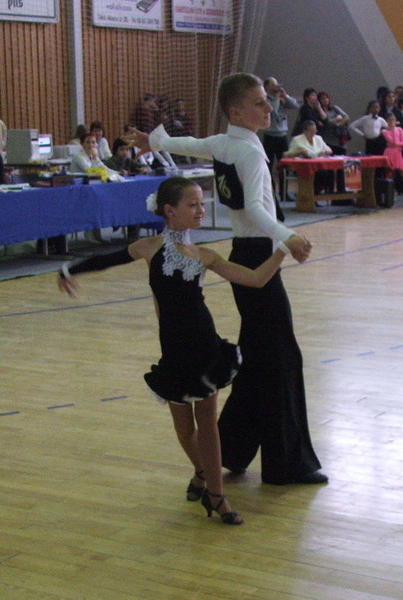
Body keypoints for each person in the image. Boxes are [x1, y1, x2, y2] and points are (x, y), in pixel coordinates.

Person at [58, 177, 292, 524]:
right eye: (193, 205)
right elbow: (105, 260)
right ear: (170, 211)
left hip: (206, 347)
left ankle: (216, 495)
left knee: (208, 424)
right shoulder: (148, 248)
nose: (201, 210)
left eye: (201, 203)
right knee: (184, 430)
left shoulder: (205, 255)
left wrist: (284, 248)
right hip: (173, 351)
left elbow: (255, 279)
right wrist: (68, 268)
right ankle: (202, 473)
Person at [130, 73, 326, 485]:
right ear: (236, 112)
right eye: (259, 103)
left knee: (260, 357)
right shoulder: (247, 152)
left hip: (245, 251)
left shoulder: (226, 143)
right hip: (257, 252)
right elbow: (254, 208)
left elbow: (190, 144)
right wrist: (288, 237)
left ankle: (233, 449)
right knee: (280, 358)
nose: (268, 108)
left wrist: (156, 141)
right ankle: (286, 465)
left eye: (266, 100)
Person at [262, 77, 299, 199]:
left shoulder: (281, 97)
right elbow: (272, 112)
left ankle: (284, 193)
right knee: (269, 166)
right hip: (270, 136)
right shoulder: (265, 100)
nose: (277, 86)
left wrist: (285, 96)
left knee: (285, 165)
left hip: (282, 136)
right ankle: (270, 193)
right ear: (267, 87)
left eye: (277, 83)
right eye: (274, 84)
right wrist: (277, 99)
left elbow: (295, 105)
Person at [285, 120, 334, 194]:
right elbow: (288, 155)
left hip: (318, 165)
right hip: (303, 167)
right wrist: (301, 153)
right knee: (320, 173)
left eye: (315, 130)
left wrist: (326, 152)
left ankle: (321, 193)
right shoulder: (297, 140)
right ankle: (311, 194)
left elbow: (329, 150)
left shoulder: (318, 138)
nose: (313, 133)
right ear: (305, 131)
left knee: (330, 172)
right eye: (311, 131)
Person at [381, 114, 403, 202]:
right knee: (390, 174)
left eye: (393, 120)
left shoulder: (399, 129)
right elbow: (393, 141)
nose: (392, 122)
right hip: (390, 153)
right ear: (387, 121)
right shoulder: (385, 131)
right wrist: (393, 132)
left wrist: (397, 143)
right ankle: (391, 194)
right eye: (390, 120)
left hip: (398, 153)